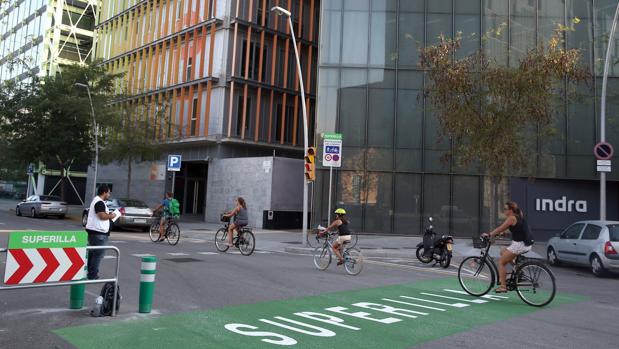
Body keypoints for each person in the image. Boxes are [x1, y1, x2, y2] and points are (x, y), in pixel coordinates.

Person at [482, 201, 534, 293]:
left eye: (505, 209)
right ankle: (519, 270)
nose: (504, 211)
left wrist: (489, 234)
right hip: (525, 244)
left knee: (501, 262)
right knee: (503, 251)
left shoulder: (511, 218)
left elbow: (500, 228)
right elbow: (514, 228)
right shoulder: (518, 215)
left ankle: (503, 287)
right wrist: (502, 233)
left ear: (511, 210)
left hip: (519, 245)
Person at [85, 185, 117, 280]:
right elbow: (102, 216)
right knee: (98, 254)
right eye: (108, 192)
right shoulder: (99, 202)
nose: (109, 194)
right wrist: (112, 215)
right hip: (98, 233)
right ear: (104, 192)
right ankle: (93, 275)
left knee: (93, 253)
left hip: (95, 232)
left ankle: (90, 273)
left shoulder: (97, 201)